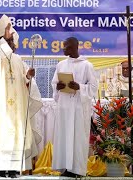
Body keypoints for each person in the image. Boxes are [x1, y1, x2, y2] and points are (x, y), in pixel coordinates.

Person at [0, 14, 43, 178]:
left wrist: (27, 76)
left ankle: (13, 168)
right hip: (0, 105)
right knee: (1, 134)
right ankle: (0, 167)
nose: (12, 33)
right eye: (8, 29)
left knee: (15, 135)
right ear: (2, 32)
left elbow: (22, 81)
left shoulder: (17, 58)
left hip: (15, 107)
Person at [51, 37, 98, 177]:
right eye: (64, 47)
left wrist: (80, 87)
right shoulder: (60, 65)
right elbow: (54, 83)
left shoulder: (87, 65)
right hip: (64, 107)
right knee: (64, 136)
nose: (64, 49)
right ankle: (64, 167)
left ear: (76, 47)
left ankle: (76, 169)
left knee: (77, 138)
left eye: (67, 47)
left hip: (78, 108)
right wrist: (57, 87)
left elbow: (94, 87)